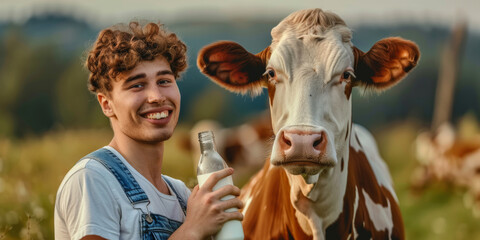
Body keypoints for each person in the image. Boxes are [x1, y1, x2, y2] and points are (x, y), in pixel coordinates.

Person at [54, 21, 244, 240]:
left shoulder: (183, 196)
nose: (157, 96)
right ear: (106, 104)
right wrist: (192, 229)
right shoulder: (93, 179)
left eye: (164, 81)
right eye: (137, 85)